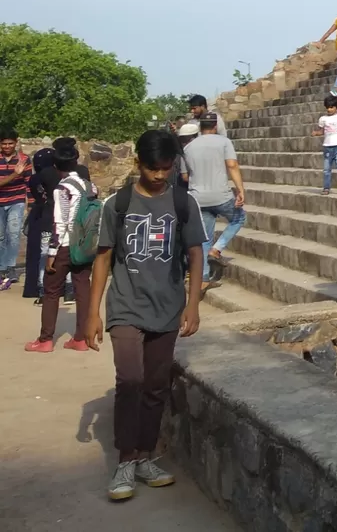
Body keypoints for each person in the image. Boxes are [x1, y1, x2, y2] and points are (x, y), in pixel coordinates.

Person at [85, 128, 205, 502]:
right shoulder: (116, 205)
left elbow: (196, 254)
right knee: (131, 379)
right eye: (153, 168)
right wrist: (92, 313)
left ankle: (147, 456)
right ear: (138, 163)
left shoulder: (184, 203)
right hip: (125, 305)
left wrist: (193, 303)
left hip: (167, 307)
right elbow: (103, 257)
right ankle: (125, 459)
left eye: (165, 168)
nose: (159, 175)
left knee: (155, 386)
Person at [25, 138, 95, 352]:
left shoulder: (62, 189)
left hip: (65, 245)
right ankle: (81, 338)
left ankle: (45, 339)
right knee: (83, 288)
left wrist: (52, 253)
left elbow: (60, 222)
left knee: (51, 290)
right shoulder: (88, 185)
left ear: (55, 166)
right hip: (84, 243)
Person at [182, 113, 245, 287]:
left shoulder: (188, 147)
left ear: (200, 127)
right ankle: (217, 249)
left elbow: (185, 176)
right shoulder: (224, 142)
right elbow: (232, 165)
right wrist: (240, 190)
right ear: (215, 126)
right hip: (221, 196)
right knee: (239, 218)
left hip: (198, 198)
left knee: (205, 237)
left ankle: (203, 279)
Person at [22, 148, 57, 302]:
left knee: (36, 254)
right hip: (51, 214)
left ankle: (33, 288)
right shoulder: (55, 177)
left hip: (37, 215)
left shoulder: (34, 179)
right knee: (52, 252)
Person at [0, 128, 29, 290]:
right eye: (4, 144)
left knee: (14, 233)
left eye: (10, 143)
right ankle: (1, 267)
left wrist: (31, 204)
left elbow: (29, 182)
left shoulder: (24, 159)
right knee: (1, 236)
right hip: (0, 202)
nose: (7, 147)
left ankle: (10, 267)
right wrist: (14, 175)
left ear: (16, 143)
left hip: (16, 200)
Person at [312, 94, 337, 194]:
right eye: (327, 107)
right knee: (326, 169)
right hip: (327, 147)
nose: (329, 109)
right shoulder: (323, 119)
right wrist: (316, 133)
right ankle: (326, 188)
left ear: (336, 107)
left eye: (331, 107)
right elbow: (322, 131)